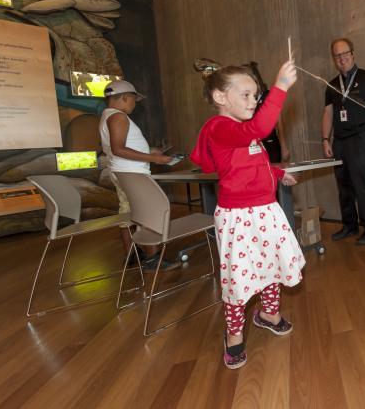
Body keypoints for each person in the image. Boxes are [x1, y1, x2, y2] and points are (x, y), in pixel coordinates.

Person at [191, 60, 306, 369]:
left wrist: (279, 174)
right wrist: (280, 87)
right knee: (238, 278)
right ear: (220, 97)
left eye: (256, 95)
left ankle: (269, 313)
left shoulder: (241, 132)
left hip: (266, 210)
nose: (254, 101)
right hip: (238, 216)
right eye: (246, 94)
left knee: (272, 266)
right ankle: (234, 334)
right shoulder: (219, 127)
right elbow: (259, 129)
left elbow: (252, 162)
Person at [99, 79, 176, 271]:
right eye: (134, 99)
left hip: (123, 171)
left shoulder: (107, 116)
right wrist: (153, 158)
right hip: (132, 173)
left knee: (127, 213)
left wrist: (151, 151)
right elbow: (118, 149)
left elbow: (119, 147)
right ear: (125, 97)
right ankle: (152, 259)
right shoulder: (119, 117)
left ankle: (133, 253)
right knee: (149, 212)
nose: (135, 104)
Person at [322, 38, 365, 246]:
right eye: (337, 55)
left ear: (352, 53)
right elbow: (327, 114)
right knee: (344, 185)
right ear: (334, 59)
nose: (342, 58)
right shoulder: (332, 85)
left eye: (345, 53)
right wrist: (326, 139)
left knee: (361, 183)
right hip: (339, 141)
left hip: (360, 138)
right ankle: (349, 226)